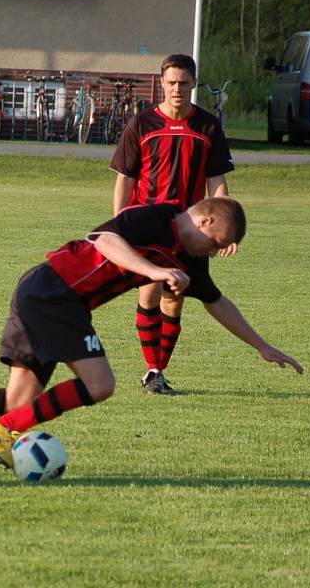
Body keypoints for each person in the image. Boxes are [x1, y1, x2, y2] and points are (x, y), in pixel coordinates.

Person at [0, 198, 303, 470]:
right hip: (54, 291)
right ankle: (3, 429)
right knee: (100, 385)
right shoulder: (158, 218)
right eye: (215, 242)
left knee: (19, 401)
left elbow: (217, 303)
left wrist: (262, 346)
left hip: (50, 296)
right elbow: (104, 240)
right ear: (205, 219)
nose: (212, 252)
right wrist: (153, 270)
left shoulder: (190, 261)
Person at [110, 53, 236, 395]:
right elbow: (125, 177)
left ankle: (157, 370)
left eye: (183, 82)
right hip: (147, 225)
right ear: (161, 83)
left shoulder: (208, 126)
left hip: (191, 229)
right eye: (171, 83)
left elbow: (216, 180)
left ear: (193, 83)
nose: (176, 89)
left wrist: (223, 228)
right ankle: (152, 368)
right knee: (150, 288)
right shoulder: (143, 123)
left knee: (175, 297)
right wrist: (119, 220)